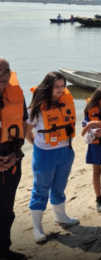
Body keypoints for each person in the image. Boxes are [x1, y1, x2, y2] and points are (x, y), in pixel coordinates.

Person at [26, 72, 79, 243]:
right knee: (40, 188)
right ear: (48, 86)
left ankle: (61, 216)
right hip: (45, 154)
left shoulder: (65, 102)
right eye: (56, 86)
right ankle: (37, 227)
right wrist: (39, 146)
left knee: (59, 185)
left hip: (65, 151)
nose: (60, 89)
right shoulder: (37, 106)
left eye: (62, 86)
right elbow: (26, 131)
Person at [0, 58, 27, 260]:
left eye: (6, 72)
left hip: (11, 162)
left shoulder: (16, 94)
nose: (3, 77)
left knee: (7, 211)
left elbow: (22, 125)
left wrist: (14, 154)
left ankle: (3, 250)